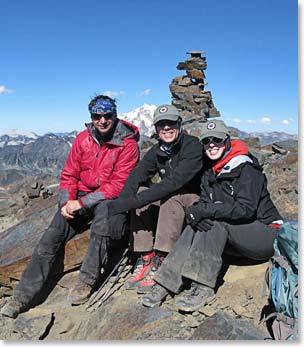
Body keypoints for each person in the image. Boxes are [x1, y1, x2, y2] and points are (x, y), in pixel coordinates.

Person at [1, 95, 139, 318]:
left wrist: (81, 203)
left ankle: (86, 280)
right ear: (91, 117)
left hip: (108, 198)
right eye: (97, 116)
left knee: (102, 225)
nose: (102, 120)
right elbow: (69, 174)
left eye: (107, 116)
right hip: (81, 195)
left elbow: (117, 185)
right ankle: (21, 297)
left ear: (115, 116)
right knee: (51, 237)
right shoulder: (82, 139)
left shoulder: (128, 145)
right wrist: (66, 203)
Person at [141, 119, 283, 311]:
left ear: (227, 141)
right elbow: (208, 204)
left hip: (266, 234)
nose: (212, 145)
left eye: (217, 140)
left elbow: (245, 209)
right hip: (236, 239)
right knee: (198, 223)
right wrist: (197, 212)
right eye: (207, 141)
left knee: (215, 221)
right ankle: (165, 282)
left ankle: (203, 286)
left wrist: (205, 210)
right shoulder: (210, 172)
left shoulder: (246, 168)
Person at [105, 104, 203, 293]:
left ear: (179, 124)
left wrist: (130, 202)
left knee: (169, 197)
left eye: (171, 123)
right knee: (142, 191)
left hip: (193, 198)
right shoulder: (159, 150)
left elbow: (174, 182)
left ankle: (163, 258)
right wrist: (120, 207)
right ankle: (146, 254)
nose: (166, 128)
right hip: (172, 196)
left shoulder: (192, 146)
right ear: (156, 128)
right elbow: (137, 176)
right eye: (161, 124)